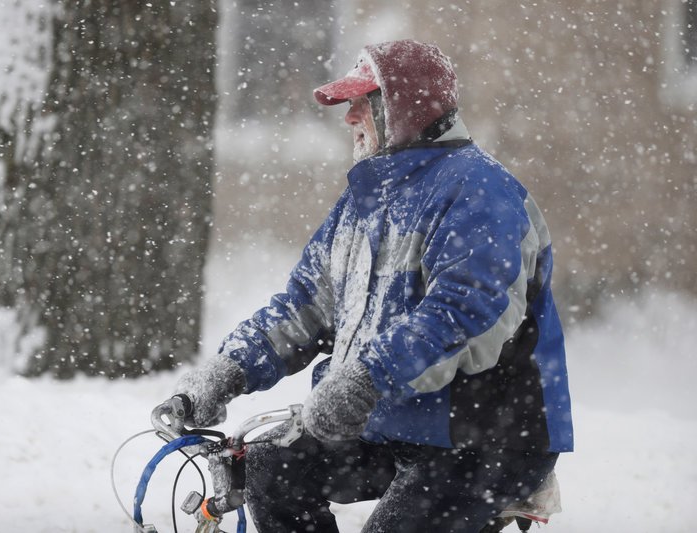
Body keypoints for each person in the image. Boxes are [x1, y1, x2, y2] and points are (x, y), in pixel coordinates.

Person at [163, 39, 574, 533]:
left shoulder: (480, 191)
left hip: (484, 434)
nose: (349, 117)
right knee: (271, 470)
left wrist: (366, 379)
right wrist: (225, 373)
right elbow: (305, 306)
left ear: (403, 109)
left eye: (362, 103)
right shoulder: (365, 199)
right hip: (392, 421)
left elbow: (464, 316)